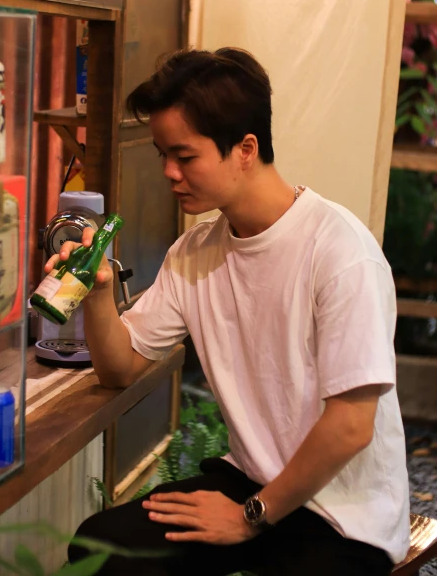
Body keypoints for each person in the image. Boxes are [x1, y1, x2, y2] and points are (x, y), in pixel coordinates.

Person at [55, 47, 410, 575]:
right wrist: (97, 288)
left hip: (343, 515)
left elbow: (351, 428)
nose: (169, 173)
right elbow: (119, 367)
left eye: (185, 155)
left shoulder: (340, 252)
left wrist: (249, 517)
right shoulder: (195, 252)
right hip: (252, 477)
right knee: (102, 549)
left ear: (245, 148)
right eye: (162, 155)